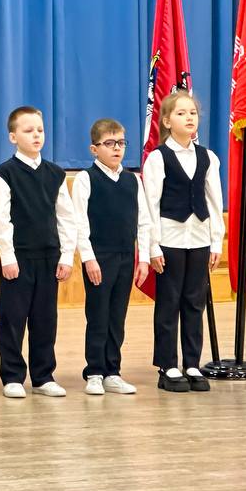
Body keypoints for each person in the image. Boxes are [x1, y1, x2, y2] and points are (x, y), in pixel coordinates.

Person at [0, 106, 76, 399]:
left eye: (40, 130)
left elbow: (66, 217)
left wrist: (66, 256)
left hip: (49, 257)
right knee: (13, 319)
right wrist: (8, 256)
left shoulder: (55, 174)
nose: (36, 135)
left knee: (45, 319)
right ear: (13, 137)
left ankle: (43, 376)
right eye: (28, 131)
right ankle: (12, 375)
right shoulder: (5, 174)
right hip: (20, 258)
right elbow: (1, 220)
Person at [143, 92, 224, 393]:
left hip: (199, 238)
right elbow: (150, 204)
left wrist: (216, 242)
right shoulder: (158, 158)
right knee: (169, 302)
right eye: (181, 113)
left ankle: (192, 362)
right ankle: (168, 365)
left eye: (193, 113)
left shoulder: (207, 157)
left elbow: (214, 202)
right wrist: (153, 246)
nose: (189, 117)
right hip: (170, 239)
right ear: (166, 121)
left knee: (194, 301)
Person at [70, 119, 151, 396]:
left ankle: (112, 371)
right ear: (94, 149)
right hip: (99, 257)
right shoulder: (86, 179)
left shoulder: (132, 180)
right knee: (98, 315)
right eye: (109, 143)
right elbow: (80, 223)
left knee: (117, 316)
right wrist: (89, 258)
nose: (117, 148)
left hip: (126, 256)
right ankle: (94, 371)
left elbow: (143, 221)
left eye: (121, 143)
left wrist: (143, 258)